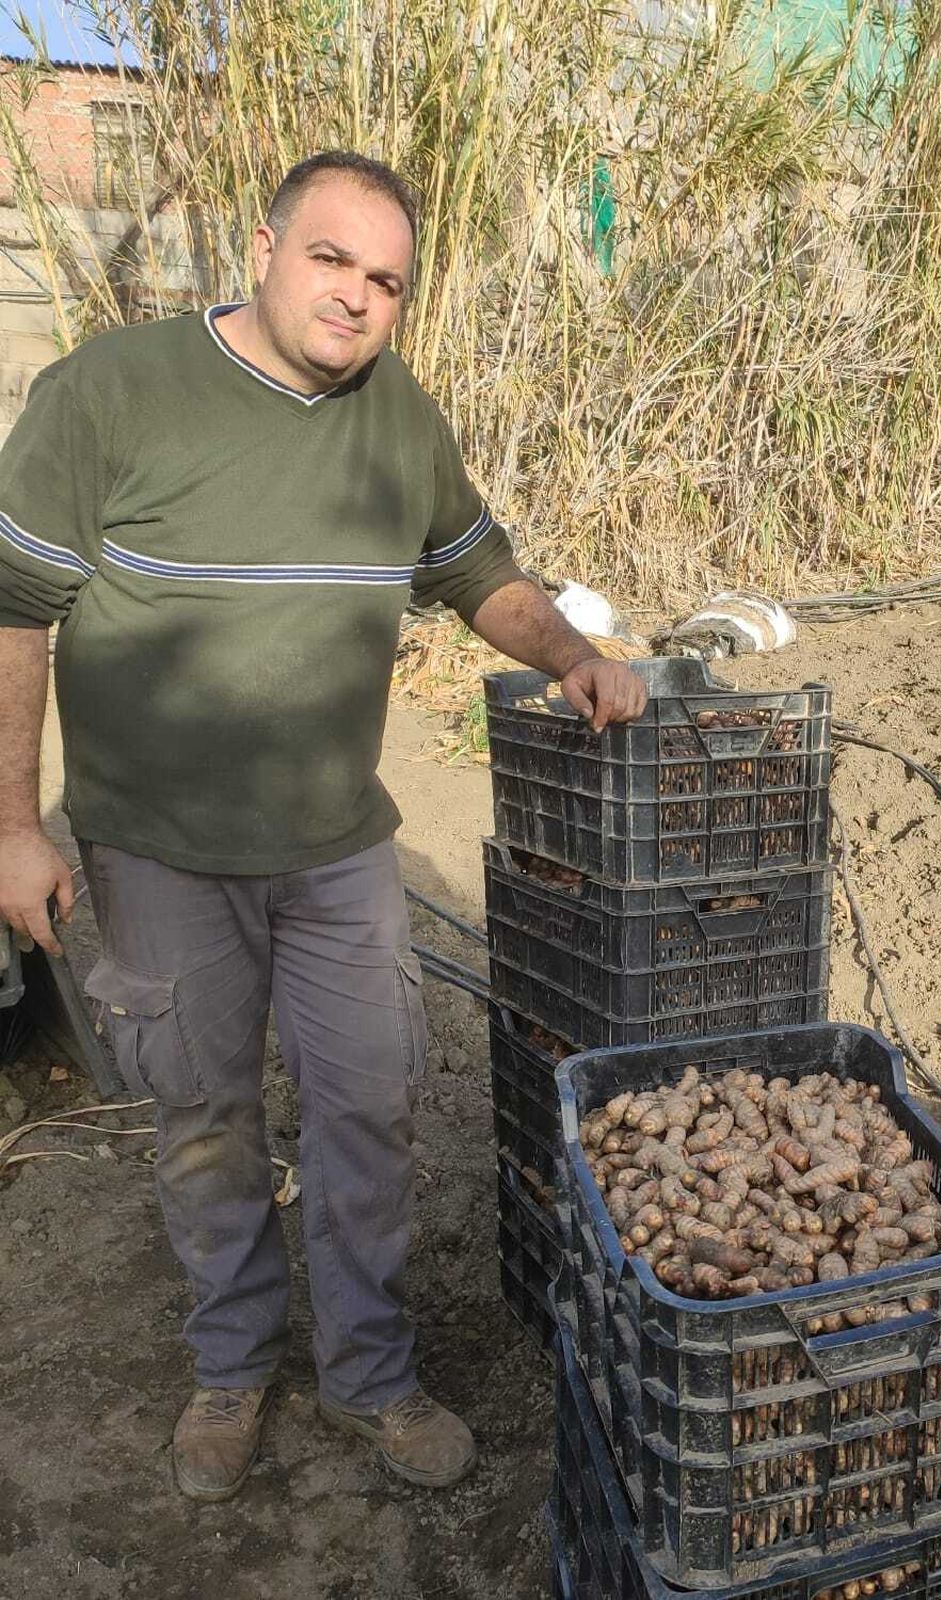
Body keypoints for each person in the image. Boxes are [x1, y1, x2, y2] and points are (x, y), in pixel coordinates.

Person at [0, 151, 647, 1501]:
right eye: (331, 260)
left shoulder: (397, 420)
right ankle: (232, 1369)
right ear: (264, 247)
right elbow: (14, 613)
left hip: (335, 844)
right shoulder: (110, 396)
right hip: (156, 848)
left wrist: (570, 649)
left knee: (368, 1107)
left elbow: (477, 571)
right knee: (206, 1118)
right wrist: (12, 822)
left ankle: (371, 1374)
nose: (356, 297)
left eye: (387, 281)